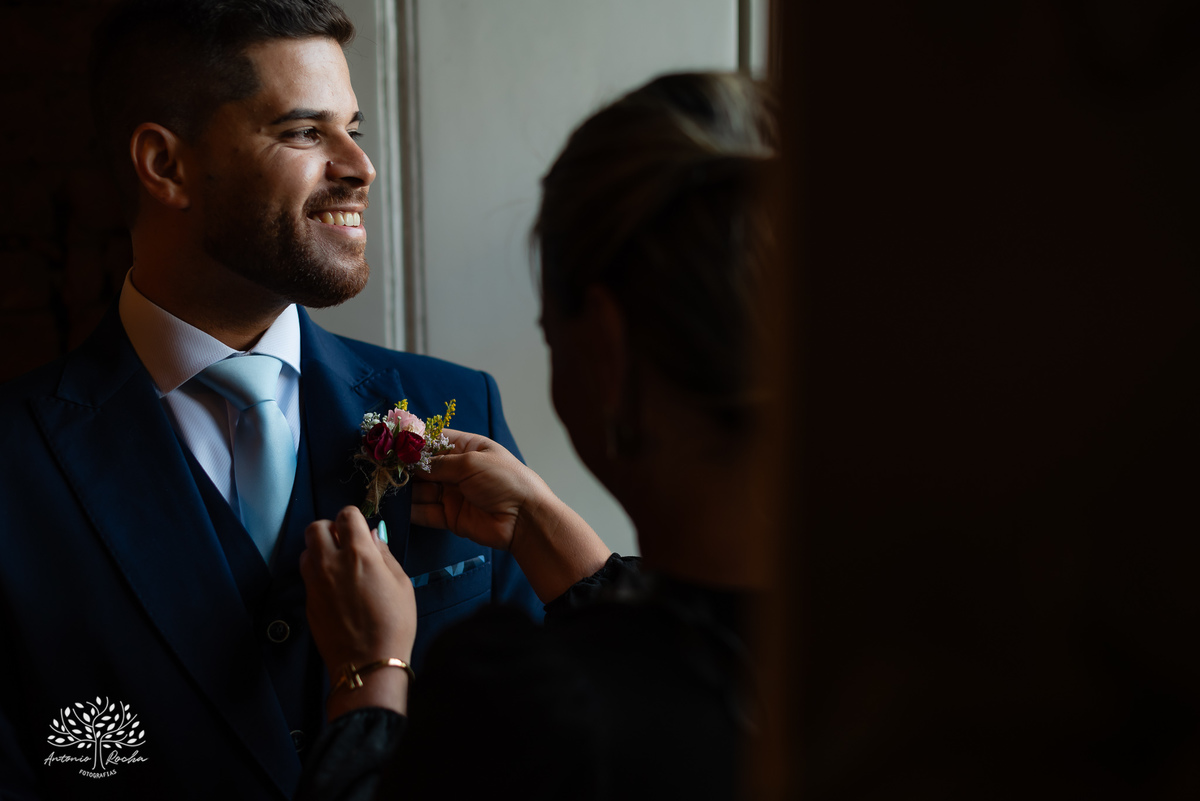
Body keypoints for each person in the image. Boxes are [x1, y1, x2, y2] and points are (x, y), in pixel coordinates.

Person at [0, 1, 539, 797]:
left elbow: (541, 745)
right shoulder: (14, 462)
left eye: (354, 127)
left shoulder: (455, 404)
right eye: (305, 132)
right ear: (166, 166)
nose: (360, 166)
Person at [295, 71, 777, 800]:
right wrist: (561, 542)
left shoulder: (532, 706)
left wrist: (370, 678)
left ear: (607, 353)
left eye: (550, 334)